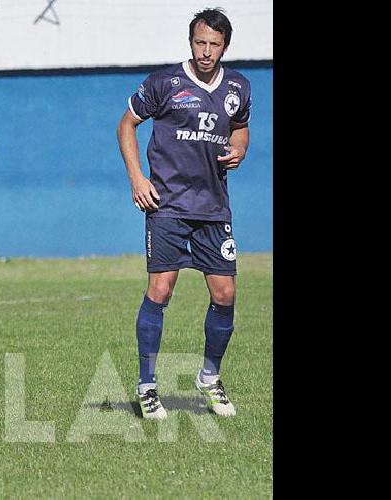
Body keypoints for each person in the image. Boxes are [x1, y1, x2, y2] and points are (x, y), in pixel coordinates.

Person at [116, 8, 251, 420]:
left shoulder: (238, 87)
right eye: (200, 43)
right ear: (190, 41)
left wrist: (241, 147)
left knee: (225, 295)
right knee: (161, 290)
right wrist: (139, 179)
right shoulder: (165, 83)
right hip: (168, 205)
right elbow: (126, 125)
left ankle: (209, 378)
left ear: (225, 46)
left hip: (213, 207)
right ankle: (147, 386)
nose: (206, 51)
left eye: (214, 44)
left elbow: (240, 125)